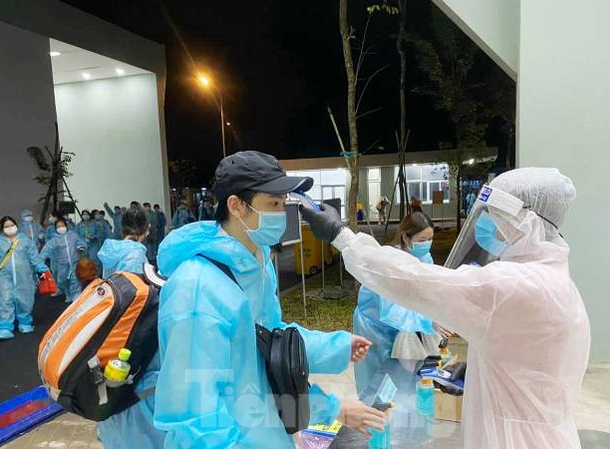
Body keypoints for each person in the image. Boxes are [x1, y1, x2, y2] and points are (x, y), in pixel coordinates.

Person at [300, 167, 591, 449]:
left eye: (500, 221)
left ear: (527, 221)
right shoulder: (557, 282)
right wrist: (483, 364)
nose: (492, 228)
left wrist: (343, 237)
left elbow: (414, 281)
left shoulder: (517, 284)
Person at [153, 151, 384, 449]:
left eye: (284, 203)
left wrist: (336, 352)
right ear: (236, 206)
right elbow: (193, 416)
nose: (281, 213)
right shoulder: (197, 290)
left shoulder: (256, 263)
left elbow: (271, 347)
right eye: (273, 203)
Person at [352, 212, 453, 394]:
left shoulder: (424, 257)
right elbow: (393, 311)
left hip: (402, 322)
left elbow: (427, 287)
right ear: (406, 237)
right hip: (375, 326)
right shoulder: (389, 264)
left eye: (430, 238)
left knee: (401, 374)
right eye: (423, 239)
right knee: (375, 378)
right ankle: (370, 415)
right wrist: (428, 320)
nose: (427, 244)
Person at [96, 206, 165, 448]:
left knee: (113, 390)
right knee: (133, 398)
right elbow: (135, 303)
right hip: (127, 336)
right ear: (147, 229)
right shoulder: (135, 255)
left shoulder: (111, 253)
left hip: (109, 333)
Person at [0, 216, 49, 341]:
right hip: (5, 277)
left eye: (11, 225)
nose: (10, 228)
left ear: (16, 225)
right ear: (2, 228)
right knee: (5, 299)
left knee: (25, 299)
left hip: (25, 277)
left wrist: (42, 269)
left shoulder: (25, 240)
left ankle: (25, 321)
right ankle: (5, 327)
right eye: (6, 226)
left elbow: (34, 257)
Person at [40, 218, 86, 303]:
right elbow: (47, 249)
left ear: (66, 226)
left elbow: (80, 242)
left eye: (62, 225)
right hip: (62, 264)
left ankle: (76, 298)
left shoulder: (73, 235)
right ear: (56, 228)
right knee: (62, 280)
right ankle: (68, 293)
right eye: (58, 226)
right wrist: (40, 259)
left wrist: (81, 246)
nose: (61, 228)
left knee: (75, 280)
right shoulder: (55, 239)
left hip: (74, 262)